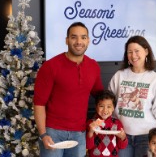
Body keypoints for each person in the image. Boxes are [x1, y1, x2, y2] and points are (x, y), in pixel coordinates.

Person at [34, 22, 104, 157]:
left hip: (79, 133)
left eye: (83, 37)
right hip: (53, 132)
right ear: (67, 40)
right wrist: (43, 134)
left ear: (88, 41)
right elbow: (39, 103)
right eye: (74, 37)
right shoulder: (50, 66)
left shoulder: (93, 66)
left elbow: (100, 96)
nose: (79, 42)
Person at [108, 35, 156, 157]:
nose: (133, 55)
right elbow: (109, 105)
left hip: (148, 138)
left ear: (146, 51)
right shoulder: (119, 76)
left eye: (137, 51)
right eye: (129, 52)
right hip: (122, 135)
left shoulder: (155, 79)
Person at [86, 90, 128, 157]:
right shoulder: (91, 123)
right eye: (101, 106)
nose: (105, 110)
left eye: (109, 107)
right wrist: (91, 131)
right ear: (96, 107)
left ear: (113, 108)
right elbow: (88, 146)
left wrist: (123, 137)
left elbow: (122, 147)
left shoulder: (117, 123)